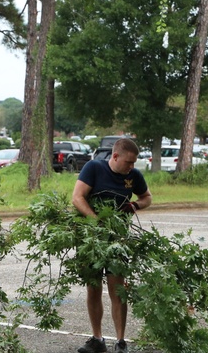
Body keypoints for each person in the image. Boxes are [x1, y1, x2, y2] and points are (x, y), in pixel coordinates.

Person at [71, 138, 152, 353]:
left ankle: (121, 342)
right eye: (128, 162)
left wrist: (135, 204)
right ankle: (97, 339)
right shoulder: (94, 168)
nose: (132, 167)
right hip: (92, 239)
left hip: (118, 239)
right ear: (115, 157)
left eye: (134, 163)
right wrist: (95, 220)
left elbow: (147, 197)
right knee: (93, 287)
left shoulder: (134, 176)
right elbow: (77, 198)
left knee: (118, 290)